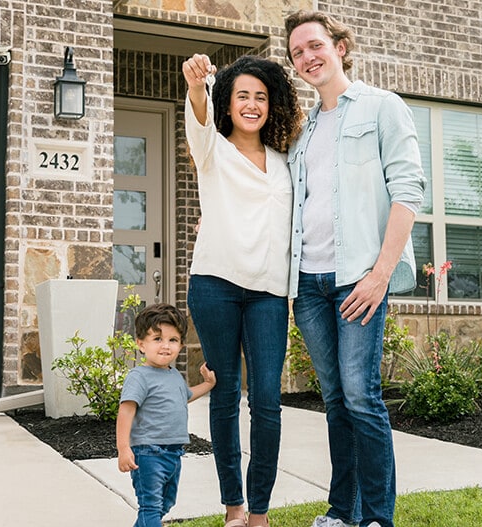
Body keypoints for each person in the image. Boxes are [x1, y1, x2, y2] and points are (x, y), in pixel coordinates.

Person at [283, 10, 426, 527]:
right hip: (310, 283)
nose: (307, 57)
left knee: (362, 397)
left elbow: (408, 191)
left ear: (340, 46)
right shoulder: (303, 129)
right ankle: (342, 512)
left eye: (315, 45)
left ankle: (377, 518)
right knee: (336, 401)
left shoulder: (382, 107)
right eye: (297, 52)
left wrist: (380, 274)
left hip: (358, 279)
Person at [181, 53, 303, 527]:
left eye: (261, 97)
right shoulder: (212, 149)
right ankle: (233, 506)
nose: (251, 105)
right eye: (242, 96)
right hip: (215, 285)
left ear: (272, 105)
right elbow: (198, 115)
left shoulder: (284, 163)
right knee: (226, 394)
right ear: (227, 103)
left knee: (268, 400)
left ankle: (260, 511)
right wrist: (197, 86)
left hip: (270, 294)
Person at [117, 303, 216, 527]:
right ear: (141, 344)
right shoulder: (139, 376)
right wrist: (124, 448)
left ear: (181, 345)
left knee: (166, 504)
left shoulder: (174, 376)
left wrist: (208, 384)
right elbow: (126, 411)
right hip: (148, 454)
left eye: (173, 340)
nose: (166, 346)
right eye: (157, 339)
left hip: (173, 454)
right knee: (150, 506)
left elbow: (186, 396)